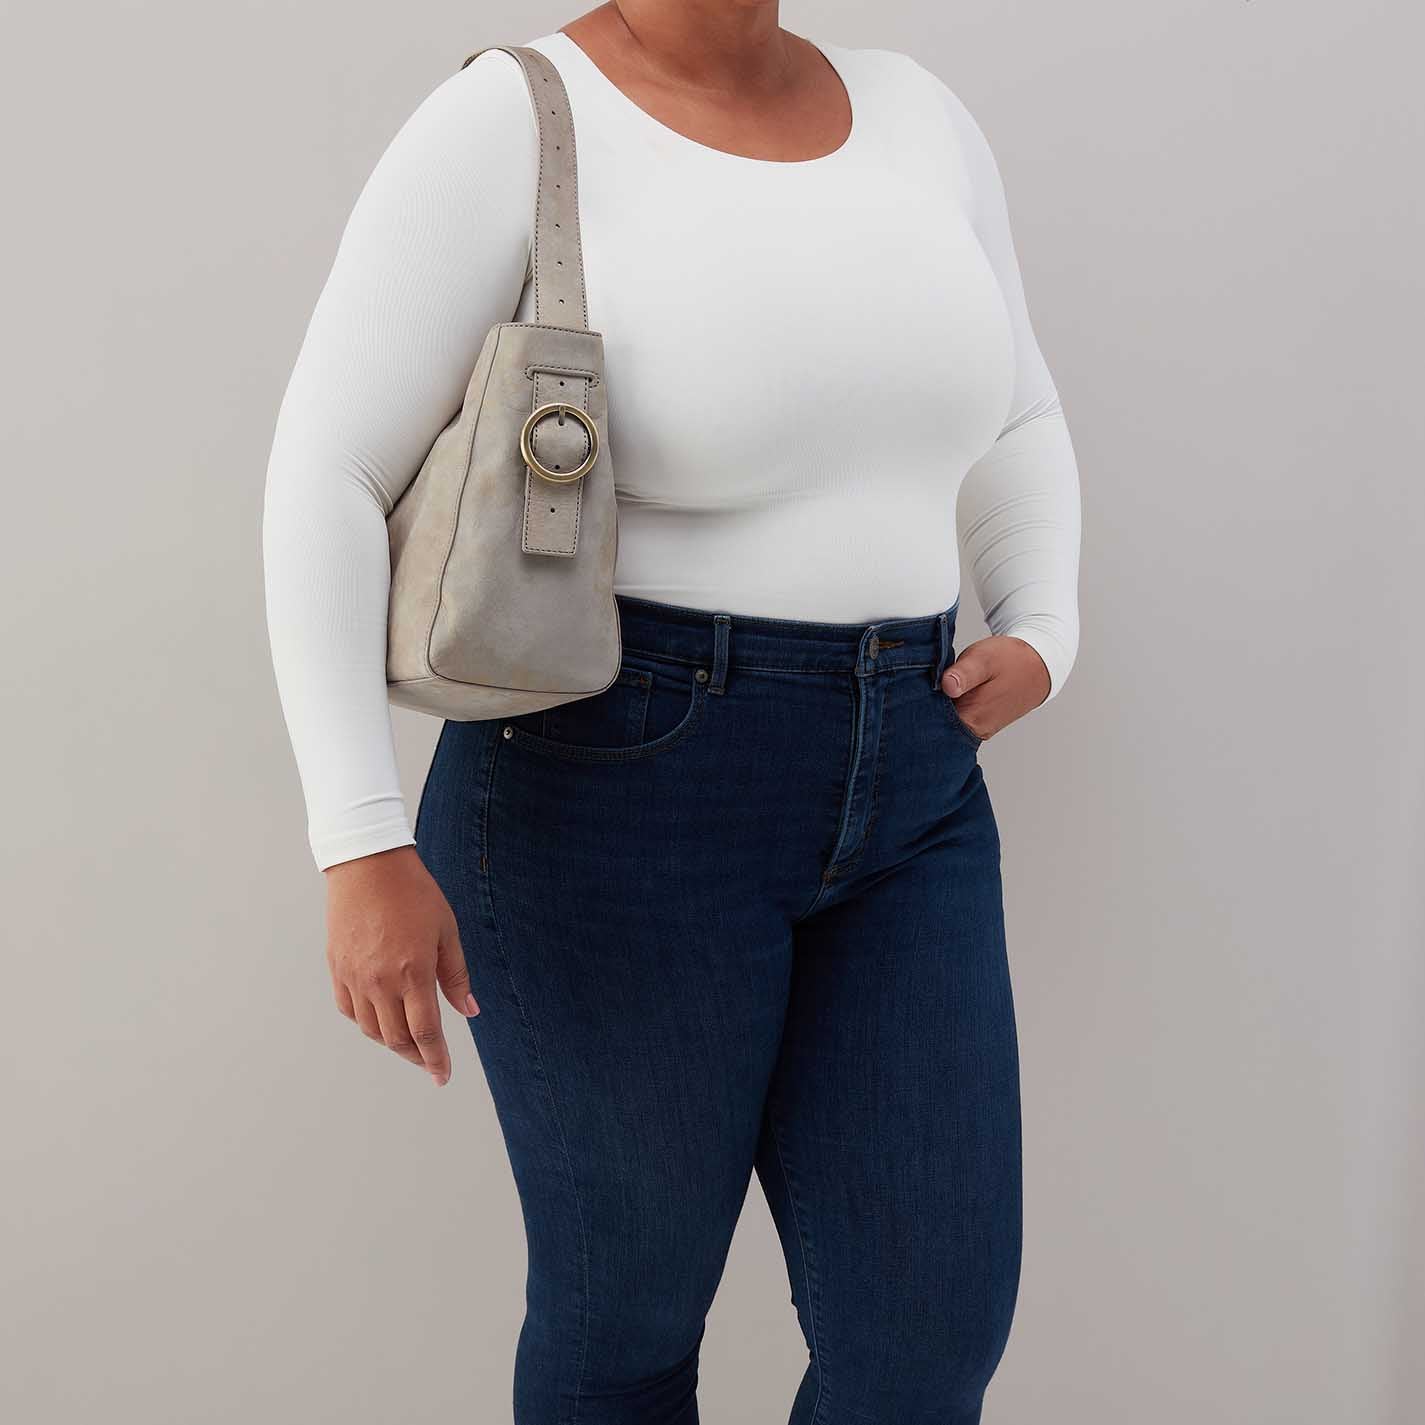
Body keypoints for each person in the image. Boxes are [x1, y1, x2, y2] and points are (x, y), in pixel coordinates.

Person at [261, 3, 1081, 1421]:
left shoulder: (914, 113)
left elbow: (1015, 410)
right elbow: (325, 469)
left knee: (926, 1340)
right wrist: (359, 840)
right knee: (625, 1319)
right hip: (609, 786)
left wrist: (1043, 621)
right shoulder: (515, 116)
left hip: (914, 786)